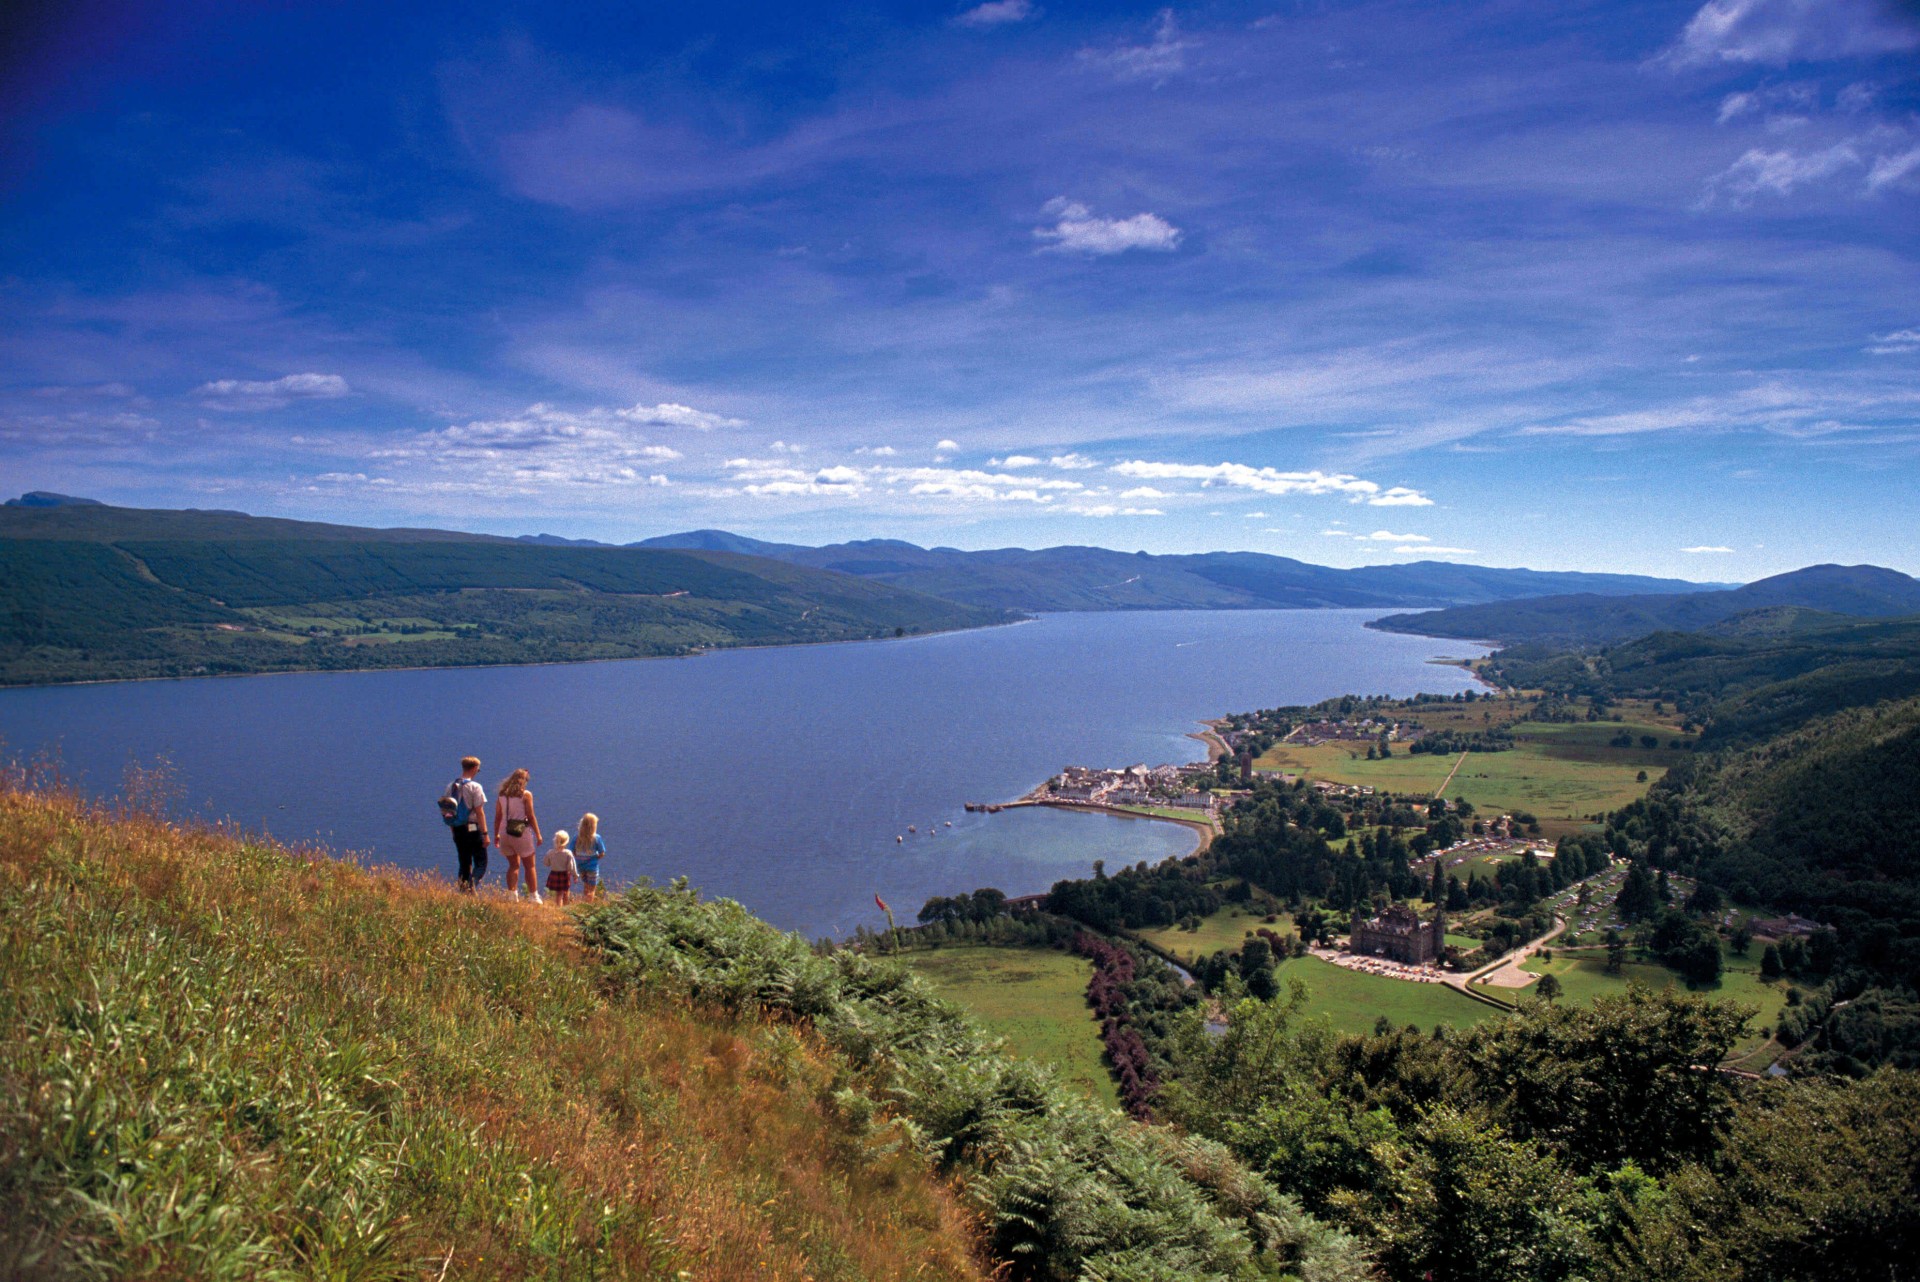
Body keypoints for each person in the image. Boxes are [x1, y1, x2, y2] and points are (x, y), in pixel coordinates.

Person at [493, 768, 544, 903]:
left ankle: (512, 895)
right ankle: (533, 896)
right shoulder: (526, 795)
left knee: (513, 865)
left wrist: (496, 834)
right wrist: (538, 834)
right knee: (529, 865)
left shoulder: (502, 795)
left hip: (504, 833)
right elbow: (531, 816)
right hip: (520, 832)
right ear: (524, 781)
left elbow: (498, 817)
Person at [444, 756, 489, 891]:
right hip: (473, 829)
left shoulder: (450, 786)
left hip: (457, 828)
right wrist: (485, 833)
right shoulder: (475, 787)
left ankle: (463, 892)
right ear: (474, 768)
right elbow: (479, 812)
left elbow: (449, 811)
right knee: (481, 863)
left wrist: (453, 830)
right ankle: (471, 886)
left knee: (464, 863)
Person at [574, 811, 607, 901]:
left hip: (580, 866)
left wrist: (578, 858)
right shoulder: (597, 838)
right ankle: (589, 907)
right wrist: (596, 858)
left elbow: (571, 851)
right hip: (592, 866)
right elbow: (602, 852)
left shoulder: (576, 837)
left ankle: (584, 904)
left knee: (586, 886)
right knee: (592, 889)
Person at [545, 829, 579, 907]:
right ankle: (562, 909)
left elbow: (546, 863)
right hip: (564, 874)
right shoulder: (568, 853)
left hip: (554, 874)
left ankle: (561, 908)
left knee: (559, 893)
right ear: (566, 841)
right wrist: (575, 876)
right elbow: (571, 866)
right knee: (564, 892)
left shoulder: (550, 852)